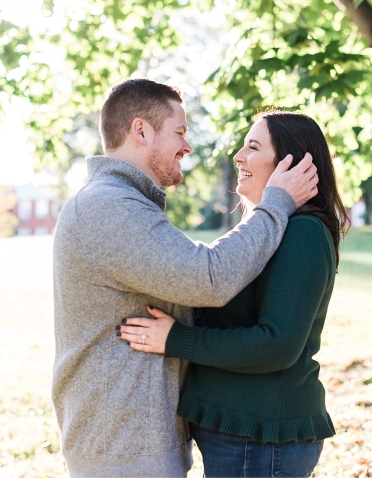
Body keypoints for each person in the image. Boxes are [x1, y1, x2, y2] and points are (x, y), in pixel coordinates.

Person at [52, 80, 320, 478]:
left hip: (138, 441)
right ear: (141, 131)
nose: (187, 146)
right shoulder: (108, 206)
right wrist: (277, 203)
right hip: (121, 448)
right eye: (180, 132)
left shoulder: (126, 204)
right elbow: (207, 279)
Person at [119, 110, 349, 478]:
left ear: (290, 164)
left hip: (260, 437)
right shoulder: (265, 229)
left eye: (253, 147)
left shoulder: (303, 234)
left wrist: (177, 340)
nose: (238, 156)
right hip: (238, 434)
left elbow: (278, 344)